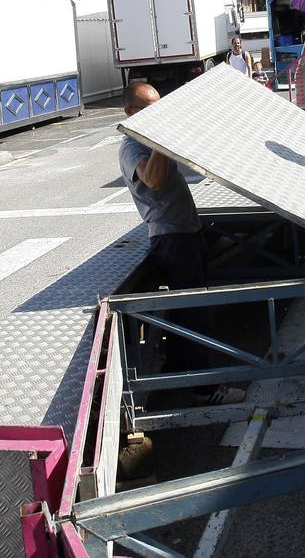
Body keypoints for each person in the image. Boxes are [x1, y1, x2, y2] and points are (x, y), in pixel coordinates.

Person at [120, 82, 244, 405]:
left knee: (186, 310)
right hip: (171, 237)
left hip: (184, 232)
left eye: (160, 106)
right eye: (150, 108)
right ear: (130, 113)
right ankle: (205, 390)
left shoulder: (149, 139)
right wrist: (161, 137)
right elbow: (154, 181)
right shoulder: (132, 146)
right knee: (193, 314)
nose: (158, 113)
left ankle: (179, 372)